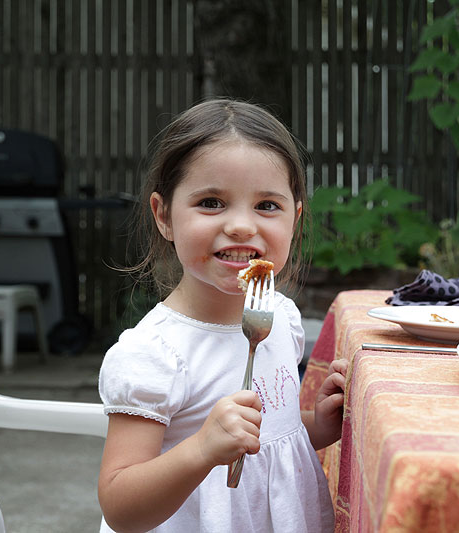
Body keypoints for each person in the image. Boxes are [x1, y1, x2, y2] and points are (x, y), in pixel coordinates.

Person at [97, 99, 347, 533]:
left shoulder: (280, 317)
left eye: (267, 205)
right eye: (211, 202)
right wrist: (201, 450)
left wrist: (318, 426)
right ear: (164, 216)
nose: (241, 226)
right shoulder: (154, 354)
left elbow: (270, 438)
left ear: (295, 218)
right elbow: (120, 507)